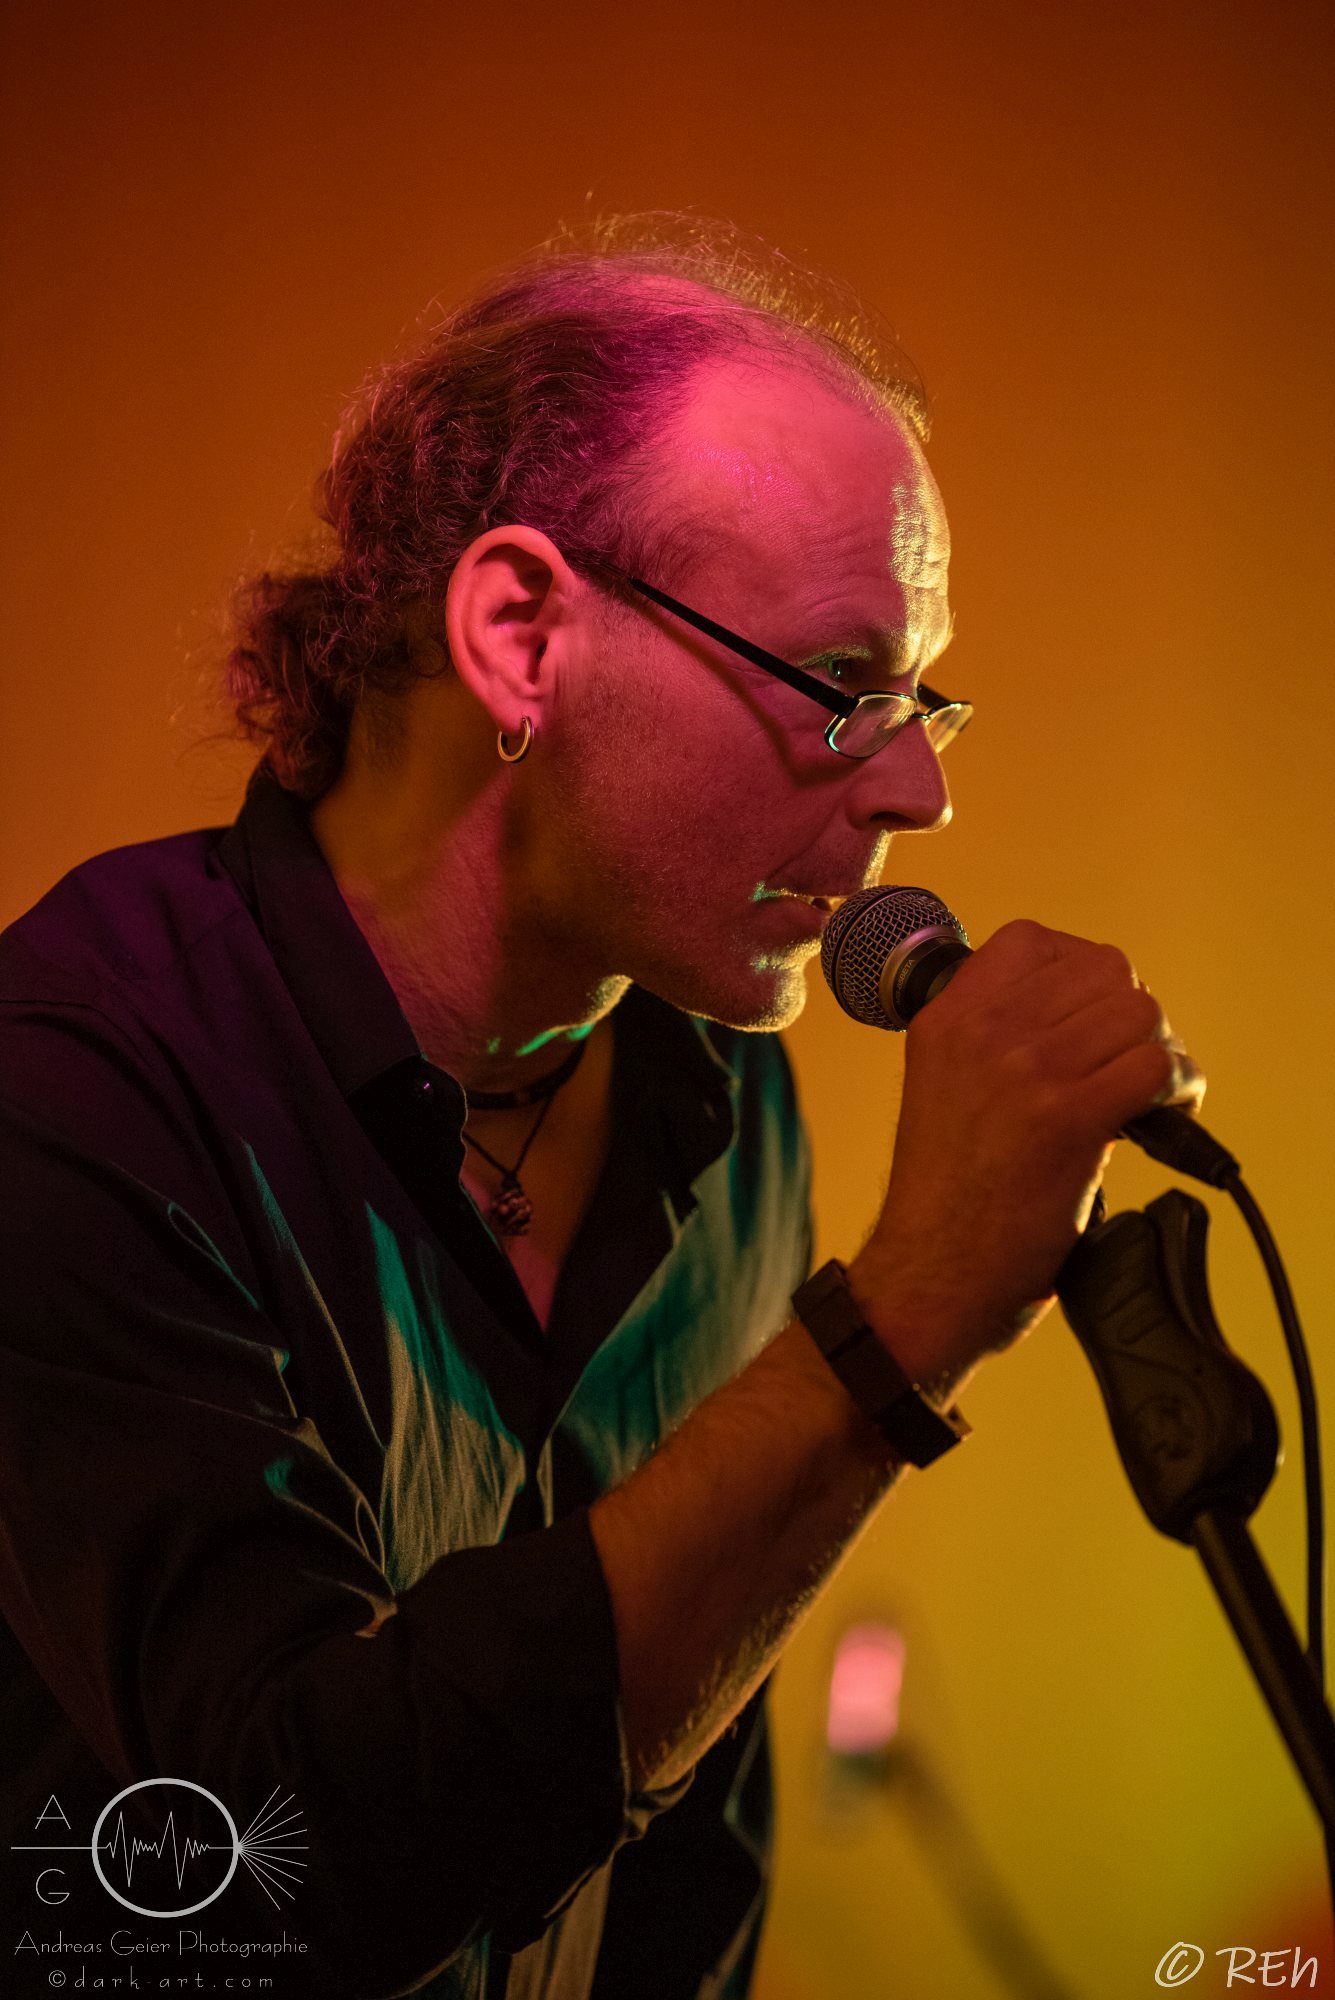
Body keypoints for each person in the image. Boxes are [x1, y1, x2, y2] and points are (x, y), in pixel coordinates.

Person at [0, 222, 1198, 1999]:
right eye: (842, 685)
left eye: (922, 698)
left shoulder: (728, 1101)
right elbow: (282, 1850)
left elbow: (692, 1838)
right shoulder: (80, 1074)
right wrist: (907, 1313)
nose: (919, 788)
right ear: (520, 634)